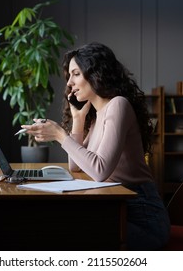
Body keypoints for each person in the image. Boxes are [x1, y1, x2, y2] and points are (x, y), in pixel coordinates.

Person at [21, 42, 170, 250]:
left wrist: (60, 135)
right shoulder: (96, 115)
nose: (69, 83)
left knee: (66, 231)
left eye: (75, 74)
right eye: (69, 75)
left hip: (141, 216)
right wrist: (78, 121)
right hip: (116, 205)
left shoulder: (118, 105)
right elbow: (75, 167)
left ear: (95, 73)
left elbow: (99, 171)